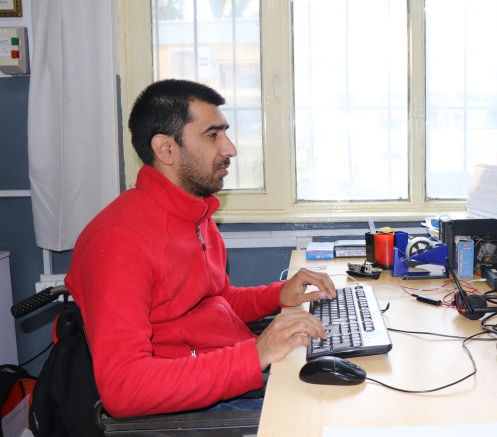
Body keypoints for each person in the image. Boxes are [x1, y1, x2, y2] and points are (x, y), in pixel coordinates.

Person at [64, 78, 336, 418]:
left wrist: (280, 294)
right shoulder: (120, 242)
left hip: (226, 369)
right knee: (332, 413)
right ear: (166, 149)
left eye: (225, 132)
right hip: (192, 408)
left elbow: (216, 300)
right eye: (213, 135)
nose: (230, 148)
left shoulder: (194, 211)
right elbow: (124, 388)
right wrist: (255, 355)